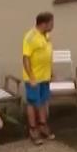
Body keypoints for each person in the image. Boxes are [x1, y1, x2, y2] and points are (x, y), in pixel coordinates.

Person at [21, 12, 55, 144]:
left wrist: (51, 71)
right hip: (33, 78)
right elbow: (26, 59)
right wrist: (31, 77)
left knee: (42, 101)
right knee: (32, 102)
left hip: (45, 76)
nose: (53, 26)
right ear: (43, 24)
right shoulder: (30, 37)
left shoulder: (46, 35)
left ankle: (43, 125)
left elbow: (47, 54)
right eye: (51, 23)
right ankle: (33, 129)